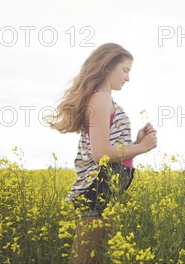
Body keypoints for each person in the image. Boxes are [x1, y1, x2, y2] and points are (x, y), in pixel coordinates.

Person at [46, 43, 158, 264]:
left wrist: (134, 142)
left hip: (105, 185)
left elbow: (109, 147)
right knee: (84, 258)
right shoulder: (100, 98)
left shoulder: (104, 98)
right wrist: (143, 147)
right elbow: (100, 154)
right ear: (107, 66)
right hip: (98, 185)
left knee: (96, 257)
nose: (127, 78)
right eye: (125, 70)